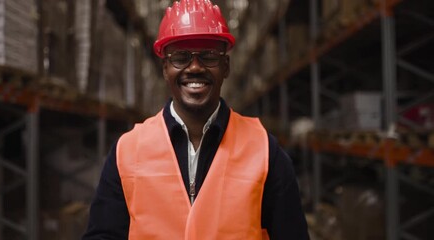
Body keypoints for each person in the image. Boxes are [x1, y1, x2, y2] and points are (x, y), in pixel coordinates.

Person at [82, 0, 309, 239]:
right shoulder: (127, 152)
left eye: (209, 56)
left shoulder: (264, 152)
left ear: (226, 66)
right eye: (181, 57)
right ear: (165, 68)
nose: (195, 67)